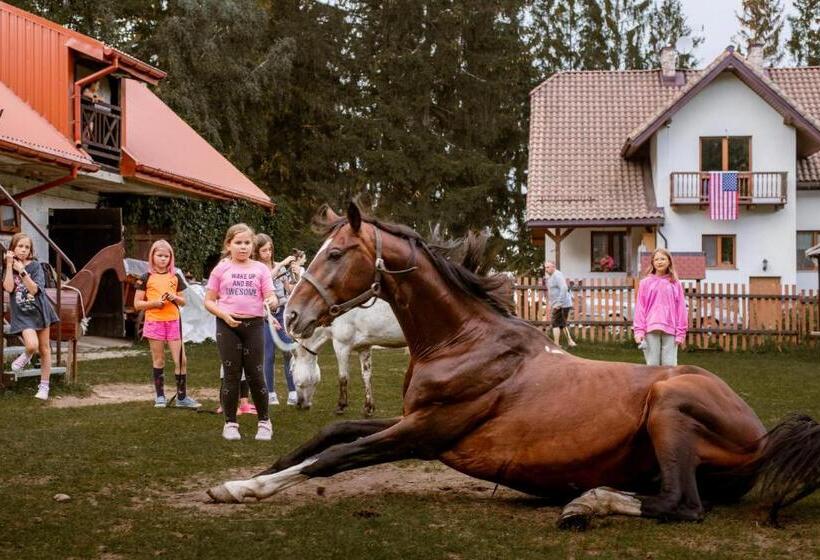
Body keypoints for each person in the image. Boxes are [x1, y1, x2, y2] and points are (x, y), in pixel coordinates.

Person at [205, 224, 275, 441]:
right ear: (229, 245)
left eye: (247, 243)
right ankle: (230, 424)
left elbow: (271, 296)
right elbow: (209, 300)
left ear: (252, 245)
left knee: (256, 374)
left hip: (254, 326)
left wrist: (271, 301)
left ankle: (264, 423)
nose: (243, 247)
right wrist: (225, 315)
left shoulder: (261, 269)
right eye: (238, 242)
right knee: (231, 375)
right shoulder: (221, 269)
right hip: (227, 326)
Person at [134, 240, 200, 409]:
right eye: (159, 255)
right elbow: (137, 304)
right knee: (159, 360)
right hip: (154, 322)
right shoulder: (145, 277)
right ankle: (160, 397)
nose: (163, 259)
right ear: (152, 256)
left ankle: (182, 397)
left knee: (181, 360)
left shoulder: (175, 277)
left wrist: (174, 298)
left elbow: (184, 301)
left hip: (173, 322)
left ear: (171, 258)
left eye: (166, 256)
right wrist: (154, 303)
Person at [3, 234, 60, 400]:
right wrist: (9, 265)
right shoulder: (7, 267)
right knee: (32, 345)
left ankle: (44, 386)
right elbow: (9, 288)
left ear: (30, 251)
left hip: (40, 311)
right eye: (20, 246)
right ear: (13, 248)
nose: (23, 250)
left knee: (44, 349)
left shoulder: (35, 267)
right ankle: (27, 355)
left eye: (27, 247)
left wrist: (22, 271)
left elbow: (34, 290)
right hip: (22, 315)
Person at [254, 234, 298, 406]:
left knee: (288, 352)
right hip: (265, 316)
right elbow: (264, 281)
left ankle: (293, 391)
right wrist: (281, 264)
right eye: (264, 250)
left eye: (270, 249)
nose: (268, 253)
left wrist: (296, 276)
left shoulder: (279, 268)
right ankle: (270, 393)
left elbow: (290, 290)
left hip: (282, 313)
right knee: (269, 355)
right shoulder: (256, 269)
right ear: (257, 252)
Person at [633, 248, 688, 366]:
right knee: (652, 366)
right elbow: (640, 308)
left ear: (669, 261)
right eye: (656, 259)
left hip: (671, 328)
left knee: (669, 366)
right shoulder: (645, 283)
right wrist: (639, 331)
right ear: (652, 262)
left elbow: (681, 309)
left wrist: (681, 333)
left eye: (663, 259)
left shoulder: (675, 283)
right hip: (650, 328)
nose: (659, 262)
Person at [543, 261, 576, 348]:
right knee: (562, 323)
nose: (546, 269)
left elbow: (564, 288)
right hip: (559, 304)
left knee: (555, 323)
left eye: (548, 267)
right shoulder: (551, 276)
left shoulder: (557, 275)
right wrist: (552, 303)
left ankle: (556, 344)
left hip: (561, 304)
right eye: (545, 267)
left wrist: (559, 303)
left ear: (553, 267)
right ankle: (570, 341)